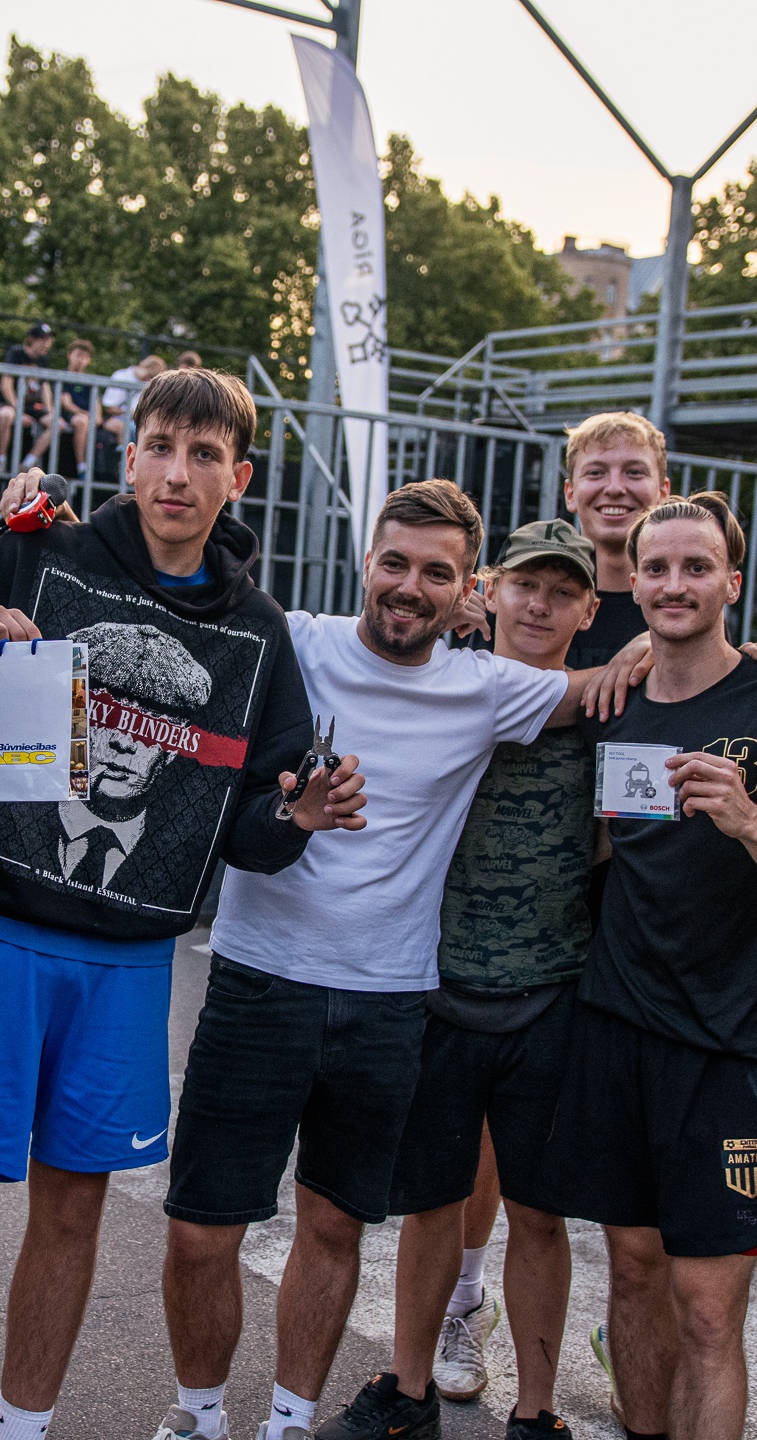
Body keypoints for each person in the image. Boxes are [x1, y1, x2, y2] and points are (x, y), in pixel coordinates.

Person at [0, 366, 366, 1440]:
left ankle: (21, 1430)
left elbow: (253, 830)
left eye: (204, 454)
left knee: (72, 1212)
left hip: (128, 962)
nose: (178, 473)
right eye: (161, 446)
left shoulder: (258, 633)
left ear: (239, 477)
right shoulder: (35, 555)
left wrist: (301, 814)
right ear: (129, 456)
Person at [155, 491, 597, 1440]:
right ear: (367, 562)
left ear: (466, 588)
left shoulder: (488, 687)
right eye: (395, 563)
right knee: (199, 1228)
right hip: (258, 978)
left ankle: (288, 1421)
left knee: (333, 1226)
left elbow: (614, 685)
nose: (410, 586)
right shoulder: (298, 642)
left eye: (437, 572)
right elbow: (171, 594)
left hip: (390, 1003)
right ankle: (198, 1417)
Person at [538, 491, 757, 1440]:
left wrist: (749, 818)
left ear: (733, 582)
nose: (674, 584)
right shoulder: (614, 700)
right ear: (633, 583)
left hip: (733, 1046)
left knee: (712, 1312)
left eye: (696, 566)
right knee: (635, 1274)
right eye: (657, 568)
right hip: (617, 1025)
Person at [349, 519, 605, 1440]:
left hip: (553, 996)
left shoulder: (611, 709)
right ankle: (407, 1391)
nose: (540, 605)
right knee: (432, 1208)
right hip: (437, 988)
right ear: (487, 592)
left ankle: (536, 1414)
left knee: (539, 1216)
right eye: (525, 585)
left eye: (563, 592)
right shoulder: (443, 688)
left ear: (589, 609)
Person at [560, 412, 669, 671]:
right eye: (596, 473)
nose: (615, 488)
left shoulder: (684, 602)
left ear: (663, 493)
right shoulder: (527, 602)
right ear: (570, 493)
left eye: (634, 472)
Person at [0, 322, 58, 466]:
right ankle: (1, 460)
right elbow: (6, 384)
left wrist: (50, 411)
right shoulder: (16, 353)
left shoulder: (43, 359)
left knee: (57, 423)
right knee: (6, 415)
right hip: (9, 403)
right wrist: (18, 411)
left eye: (49, 341)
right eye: (43, 340)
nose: (47, 345)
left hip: (32, 406)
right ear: (31, 339)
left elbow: (45, 386)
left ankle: (27, 463)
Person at [103, 353, 166, 451]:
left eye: (151, 378)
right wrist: (130, 412)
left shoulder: (149, 384)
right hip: (117, 420)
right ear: (143, 367)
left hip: (138, 421)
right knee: (135, 430)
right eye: (148, 375)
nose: (147, 380)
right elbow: (109, 408)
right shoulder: (120, 376)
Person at [57, 338, 99, 469]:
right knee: (82, 421)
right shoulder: (62, 376)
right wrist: (86, 414)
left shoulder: (90, 381)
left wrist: (96, 417)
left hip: (87, 418)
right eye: (78, 355)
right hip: (67, 416)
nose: (81, 360)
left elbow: (97, 406)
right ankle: (81, 466)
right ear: (69, 355)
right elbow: (66, 404)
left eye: (85, 357)